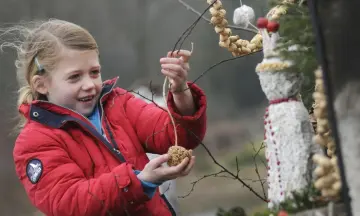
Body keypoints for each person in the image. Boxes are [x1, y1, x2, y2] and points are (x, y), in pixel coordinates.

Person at [4, 19, 207, 216]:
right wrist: (140, 182)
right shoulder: (34, 142)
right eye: (75, 77)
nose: (89, 84)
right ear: (41, 85)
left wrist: (180, 92)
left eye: (94, 72)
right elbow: (70, 203)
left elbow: (178, 135)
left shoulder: (119, 103)